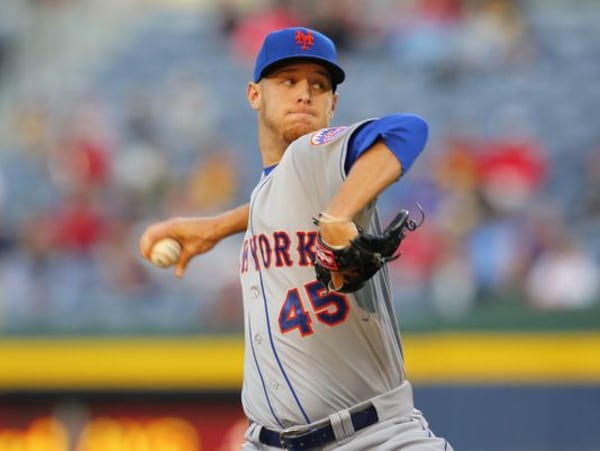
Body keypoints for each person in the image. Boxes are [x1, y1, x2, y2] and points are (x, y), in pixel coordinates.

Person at [139, 27, 452, 450]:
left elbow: (406, 130)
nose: (305, 93)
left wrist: (339, 215)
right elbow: (277, 206)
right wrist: (215, 227)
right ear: (254, 95)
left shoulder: (315, 154)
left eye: (319, 85)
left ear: (332, 105)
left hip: (371, 438)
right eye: (288, 81)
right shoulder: (279, 189)